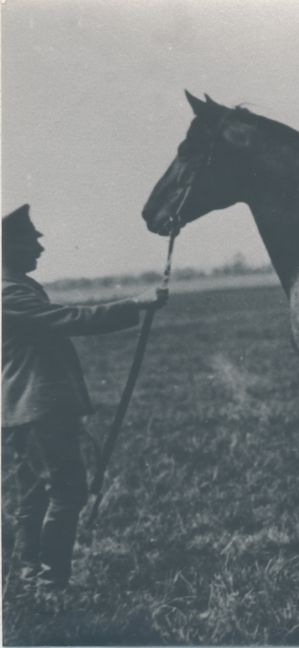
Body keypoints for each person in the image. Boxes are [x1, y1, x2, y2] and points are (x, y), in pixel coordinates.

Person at [2, 204, 168, 593]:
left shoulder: (18, 286)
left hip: (30, 410)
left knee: (35, 496)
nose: (40, 251)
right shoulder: (8, 292)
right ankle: (51, 584)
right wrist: (135, 304)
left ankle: (32, 579)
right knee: (67, 491)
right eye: (31, 244)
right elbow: (70, 319)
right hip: (38, 409)